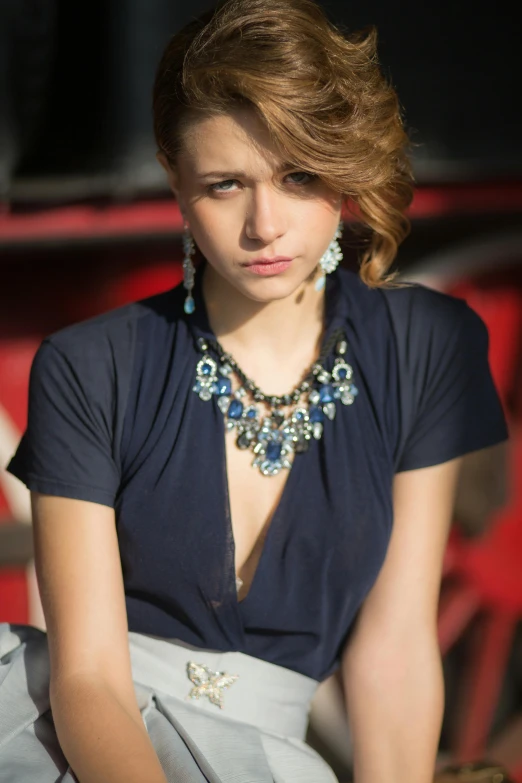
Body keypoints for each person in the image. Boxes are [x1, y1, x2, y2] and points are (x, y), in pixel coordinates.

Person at [0, 0, 509, 781]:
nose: (265, 224)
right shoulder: (86, 365)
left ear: (342, 166)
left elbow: (396, 646)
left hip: (272, 753)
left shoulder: (428, 346)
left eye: (299, 175)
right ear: (174, 177)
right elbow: (89, 677)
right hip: (72, 737)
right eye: (226, 183)